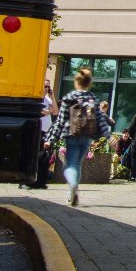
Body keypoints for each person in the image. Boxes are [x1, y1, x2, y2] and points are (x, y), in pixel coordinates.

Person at [47, 68, 113, 206]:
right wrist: (108, 136)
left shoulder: (69, 98)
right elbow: (101, 121)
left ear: (76, 82)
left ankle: (72, 185)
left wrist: (50, 139)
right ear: (89, 83)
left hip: (71, 135)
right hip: (87, 136)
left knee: (69, 166)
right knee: (77, 164)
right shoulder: (93, 99)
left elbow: (60, 121)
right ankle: (73, 188)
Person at [24, 81, 58, 189]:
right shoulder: (36, 98)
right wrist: (48, 111)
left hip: (46, 131)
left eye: (48, 87)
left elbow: (55, 112)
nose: (47, 89)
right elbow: (41, 111)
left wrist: (52, 98)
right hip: (36, 130)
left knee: (44, 157)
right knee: (34, 156)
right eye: (45, 86)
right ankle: (27, 181)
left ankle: (40, 182)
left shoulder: (48, 99)